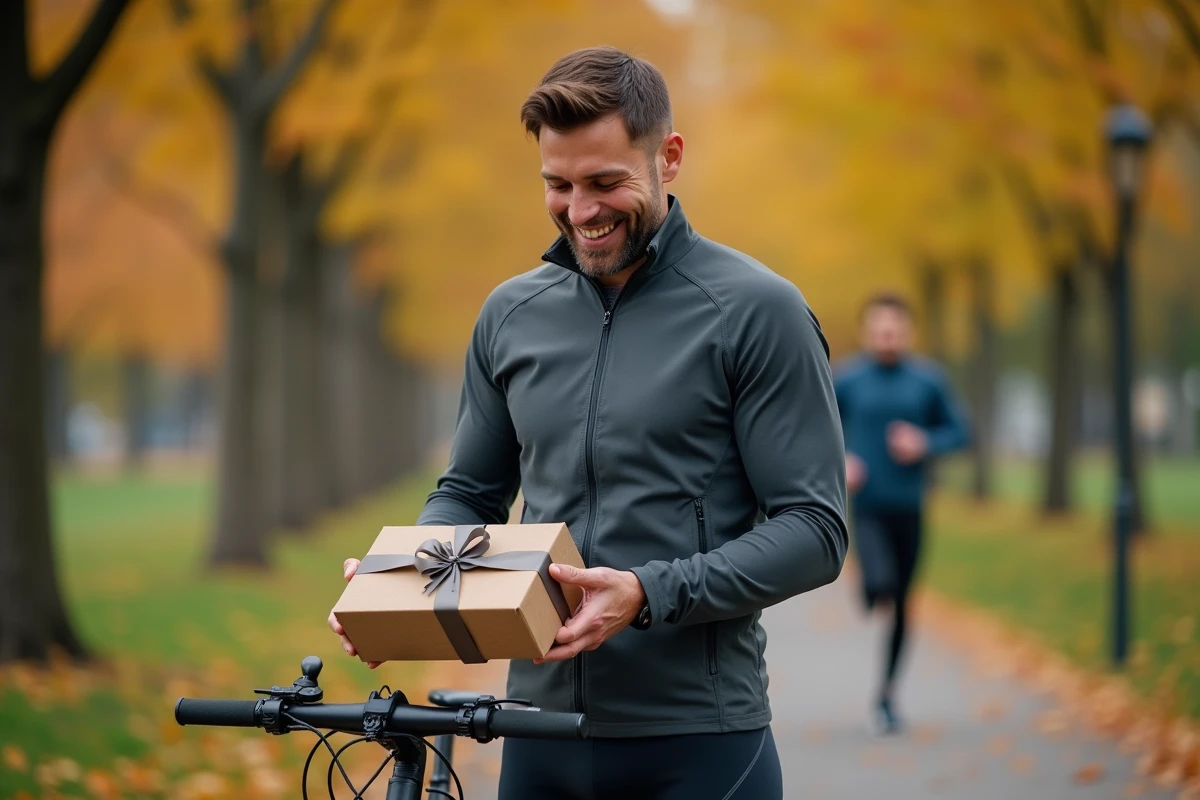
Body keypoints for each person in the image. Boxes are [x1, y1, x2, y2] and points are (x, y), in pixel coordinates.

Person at [330, 46, 848, 798]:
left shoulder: (757, 311)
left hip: (702, 743)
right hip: (533, 735)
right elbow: (470, 492)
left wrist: (648, 591)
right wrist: (406, 587)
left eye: (606, 182)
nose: (580, 211)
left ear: (668, 157)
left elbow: (815, 530)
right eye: (558, 185)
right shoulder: (511, 314)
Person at [833, 293, 970, 736]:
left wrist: (924, 443)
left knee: (904, 604)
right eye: (878, 328)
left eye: (894, 328)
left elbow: (960, 431)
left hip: (910, 508)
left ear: (907, 331)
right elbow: (818, 427)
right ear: (867, 332)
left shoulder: (927, 381)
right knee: (881, 584)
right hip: (868, 506)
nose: (886, 335)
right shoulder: (848, 380)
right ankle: (872, 587)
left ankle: (888, 695)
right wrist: (843, 459)